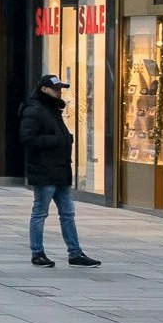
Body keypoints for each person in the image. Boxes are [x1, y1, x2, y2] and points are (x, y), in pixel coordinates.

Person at [22, 74, 101, 267]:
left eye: (60, 89)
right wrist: (57, 140)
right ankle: (37, 252)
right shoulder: (34, 110)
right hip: (44, 170)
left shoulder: (53, 109)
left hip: (60, 169)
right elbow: (27, 139)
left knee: (68, 213)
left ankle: (75, 253)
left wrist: (66, 139)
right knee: (40, 212)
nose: (59, 92)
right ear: (44, 90)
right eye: (55, 89)